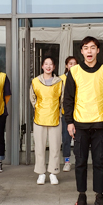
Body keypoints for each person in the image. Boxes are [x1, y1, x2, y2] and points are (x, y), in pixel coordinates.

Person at [63, 36, 103, 205]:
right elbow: (68, 99)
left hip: (100, 124)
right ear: (81, 51)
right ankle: (81, 195)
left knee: (99, 162)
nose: (89, 51)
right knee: (80, 162)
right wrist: (69, 122)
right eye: (86, 48)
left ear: (98, 50)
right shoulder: (74, 71)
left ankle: (99, 195)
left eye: (93, 47)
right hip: (80, 125)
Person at [30, 56, 63, 185]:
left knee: (55, 147)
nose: (48, 66)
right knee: (39, 147)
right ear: (42, 66)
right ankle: (41, 173)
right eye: (46, 64)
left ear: (54, 67)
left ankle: (53, 172)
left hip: (55, 118)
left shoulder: (59, 82)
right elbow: (32, 98)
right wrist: (38, 108)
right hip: (39, 118)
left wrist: (58, 111)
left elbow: (62, 99)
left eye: (51, 64)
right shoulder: (35, 81)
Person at [59, 56, 78, 172]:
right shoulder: (61, 79)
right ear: (66, 65)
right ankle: (67, 161)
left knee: (78, 139)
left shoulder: (81, 77)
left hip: (80, 113)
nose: (72, 65)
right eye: (70, 63)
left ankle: (79, 160)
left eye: (75, 63)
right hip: (66, 113)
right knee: (66, 138)